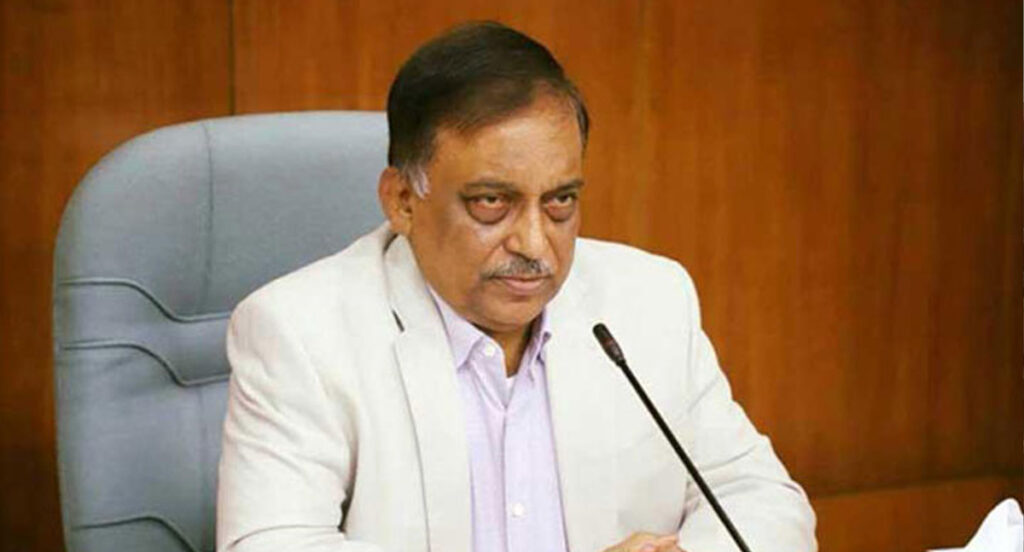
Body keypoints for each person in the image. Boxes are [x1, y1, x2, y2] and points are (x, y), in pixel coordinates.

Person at [216, 21, 817, 552]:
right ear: (402, 201)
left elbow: (761, 497)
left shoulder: (650, 300)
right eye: (491, 203)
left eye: (560, 202)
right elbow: (273, 543)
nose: (534, 244)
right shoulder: (300, 333)